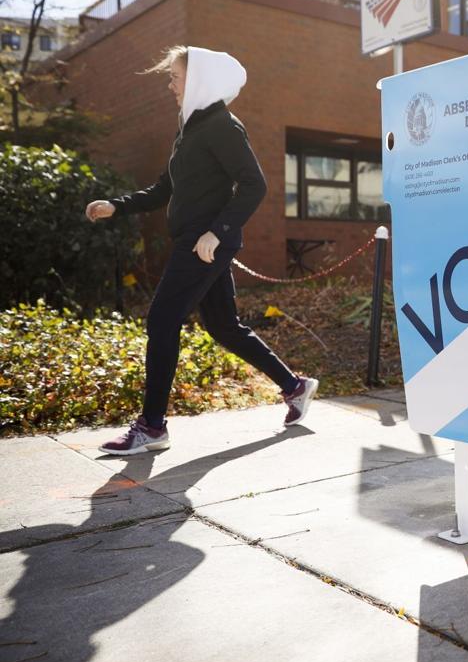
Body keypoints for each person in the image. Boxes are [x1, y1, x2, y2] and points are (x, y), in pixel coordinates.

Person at [86, 46, 318, 455]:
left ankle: (152, 427)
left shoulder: (222, 126)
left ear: (199, 81)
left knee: (161, 320)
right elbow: (164, 189)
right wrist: (117, 205)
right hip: (199, 242)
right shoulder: (189, 130)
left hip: (203, 243)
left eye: (175, 76)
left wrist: (217, 231)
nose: (171, 84)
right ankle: (295, 386)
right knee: (224, 327)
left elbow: (254, 185)